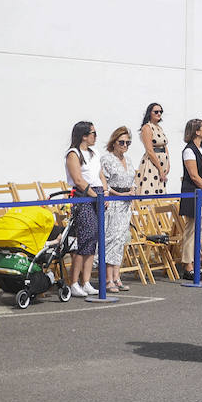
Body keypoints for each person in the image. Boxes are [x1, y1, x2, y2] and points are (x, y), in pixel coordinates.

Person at [64, 122, 105, 297]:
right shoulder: (73, 154)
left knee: (93, 239)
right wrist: (94, 196)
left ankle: (86, 281)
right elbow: (79, 180)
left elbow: (100, 174)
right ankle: (74, 282)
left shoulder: (94, 153)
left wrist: (105, 191)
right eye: (93, 133)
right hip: (83, 195)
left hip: (98, 192)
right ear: (84, 135)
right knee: (83, 239)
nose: (95, 136)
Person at [100, 126, 136, 291]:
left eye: (127, 142)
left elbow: (132, 179)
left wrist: (132, 191)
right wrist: (117, 194)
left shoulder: (128, 159)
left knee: (121, 239)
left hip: (126, 203)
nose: (125, 145)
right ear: (114, 142)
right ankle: (108, 279)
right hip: (114, 202)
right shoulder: (107, 159)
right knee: (112, 240)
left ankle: (117, 276)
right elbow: (104, 182)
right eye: (121, 142)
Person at [179, 118, 202, 274]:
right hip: (193, 193)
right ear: (197, 132)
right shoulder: (189, 150)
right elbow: (193, 175)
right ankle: (188, 265)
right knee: (191, 229)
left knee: (200, 230)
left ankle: (196, 263)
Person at [133, 102, 169, 196]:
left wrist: (168, 163)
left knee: (160, 190)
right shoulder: (147, 128)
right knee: (151, 189)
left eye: (161, 112)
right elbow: (149, 150)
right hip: (152, 163)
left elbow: (165, 146)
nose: (159, 114)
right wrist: (160, 169)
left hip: (162, 163)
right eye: (156, 112)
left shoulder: (159, 128)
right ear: (150, 113)